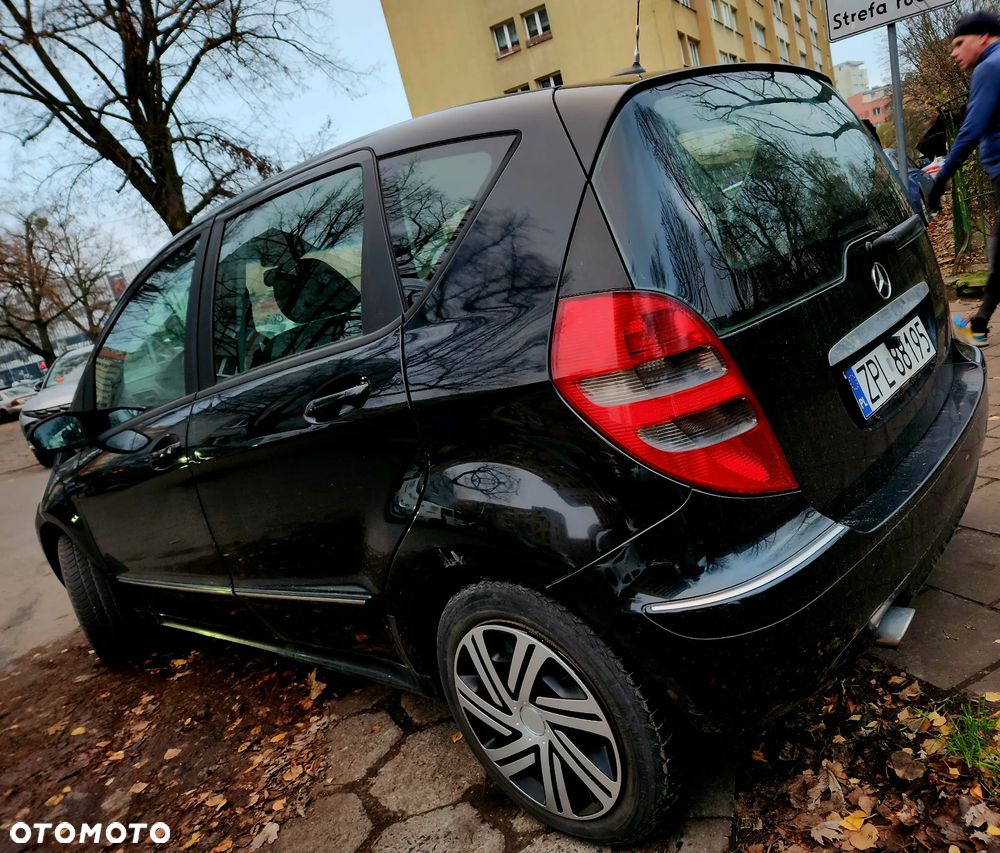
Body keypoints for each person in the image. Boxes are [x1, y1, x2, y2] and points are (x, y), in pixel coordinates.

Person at [928, 10, 1000, 347]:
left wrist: (942, 177)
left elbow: (971, 129)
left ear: (983, 37)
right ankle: (980, 322)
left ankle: (979, 323)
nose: (954, 53)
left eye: (959, 43)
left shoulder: (989, 66)